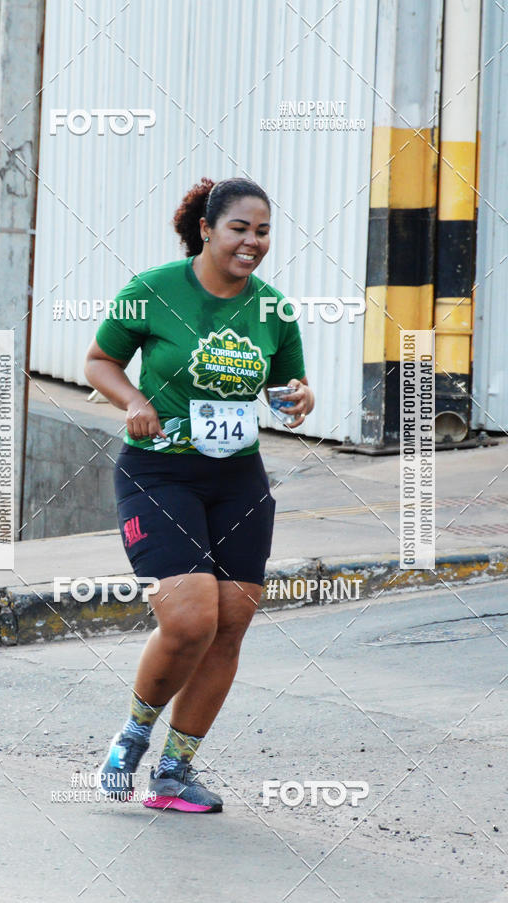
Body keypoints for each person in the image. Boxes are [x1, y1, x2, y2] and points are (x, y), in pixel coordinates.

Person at [84, 176, 315, 813]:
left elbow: (289, 385)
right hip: (159, 473)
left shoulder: (273, 309)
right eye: (239, 228)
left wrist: (300, 398)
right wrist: (133, 401)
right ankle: (132, 737)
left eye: (262, 231)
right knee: (190, 620)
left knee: (230, 624)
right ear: (207, 230)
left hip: (238, 478)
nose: (252, 242)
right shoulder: (153, 290)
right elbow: (100, 360)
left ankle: (175, 773)